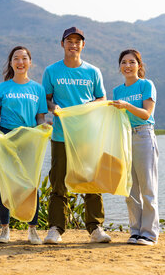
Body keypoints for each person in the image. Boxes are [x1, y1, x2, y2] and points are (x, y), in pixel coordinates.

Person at [42, 26, 111, 244]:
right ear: (62, 44)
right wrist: (56, 109)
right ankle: (56, 228)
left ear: (83, 45)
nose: (73, 44)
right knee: (59, 182)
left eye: (77, 41)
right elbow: (46, 100)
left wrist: (87, 107)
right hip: (61, 135)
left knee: (91, 180)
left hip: (87, 136)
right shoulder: (52, 71)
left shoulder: (93, 71)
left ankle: (95, 228)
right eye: (69, 41)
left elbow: (102, 99)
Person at [0, 46, 48, 245]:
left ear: (30, 62)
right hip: (7, 138)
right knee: (5, 184)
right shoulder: (1, 88)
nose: (20, 62)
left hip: (30, 140)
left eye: (24, 58)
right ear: (11, 63)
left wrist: (44, 128)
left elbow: (40, 118)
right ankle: (5, 230)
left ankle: (33, 230)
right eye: (16, 58)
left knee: (31, 185)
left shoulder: (38, 89)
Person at [110, 49, 159, 246]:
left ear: (139, 65)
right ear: (120, 66)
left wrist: (127, 106)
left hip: (144, 135)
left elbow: (147, 113)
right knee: (129, 188)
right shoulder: (117, 91)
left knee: (147, 187)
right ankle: (135, 231)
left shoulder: (147, 85)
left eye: (132, 62)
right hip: (125, 138)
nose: (127, 66)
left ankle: (149, 233)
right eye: (124, 62)